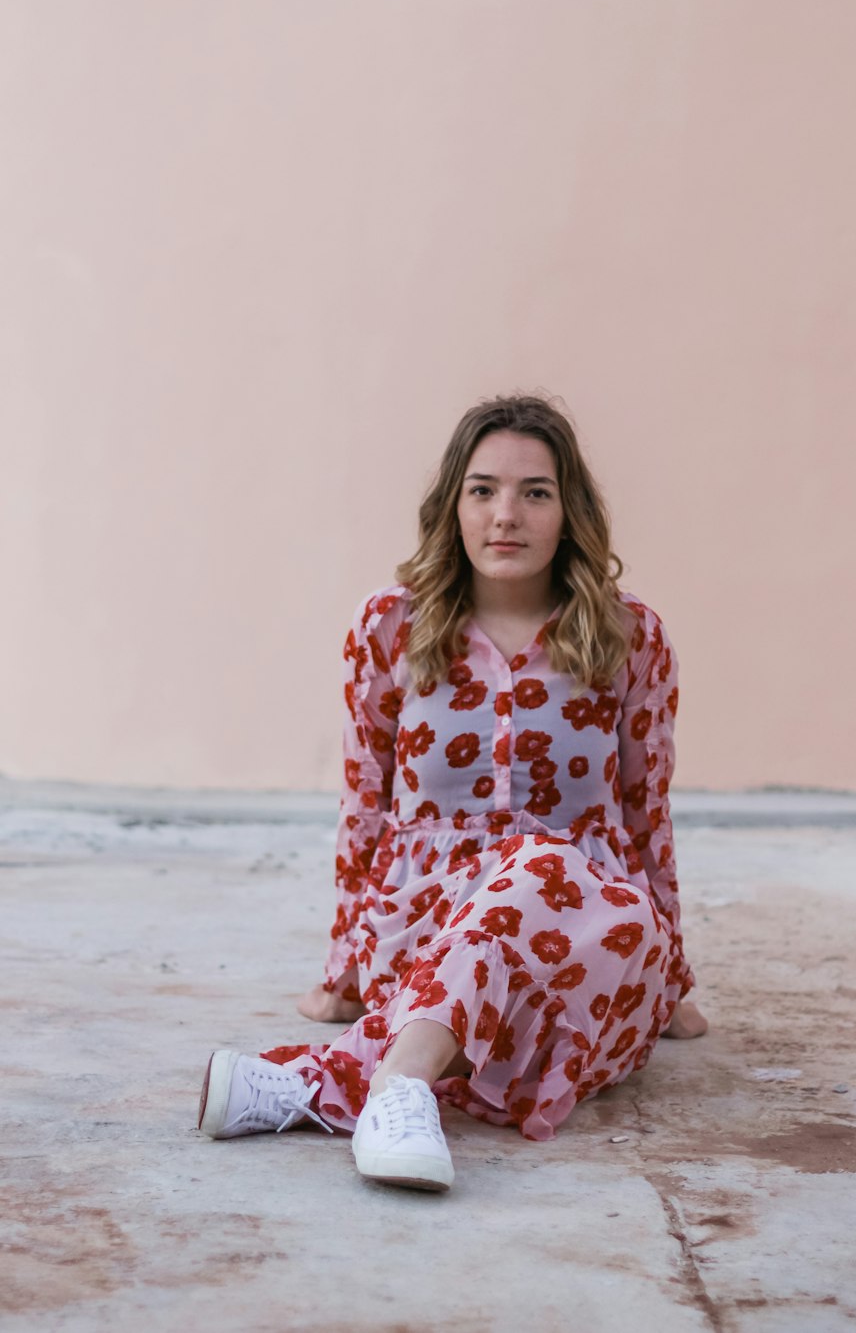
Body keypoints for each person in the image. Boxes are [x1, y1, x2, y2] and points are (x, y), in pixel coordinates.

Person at [197, 393, 707, 1190]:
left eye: (535, 492)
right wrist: (342, 968)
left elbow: (647, 809)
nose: (507, 514)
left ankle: (340, 1084)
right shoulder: (390, 627)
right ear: (453, 505)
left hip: (592, 933)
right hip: (427, 921)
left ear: (569, 511)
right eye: (483, 490)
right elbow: (364, 803)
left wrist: (671, 969)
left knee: (547, 864)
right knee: (520, 946)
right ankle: (395, 1087)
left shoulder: (629, 635)